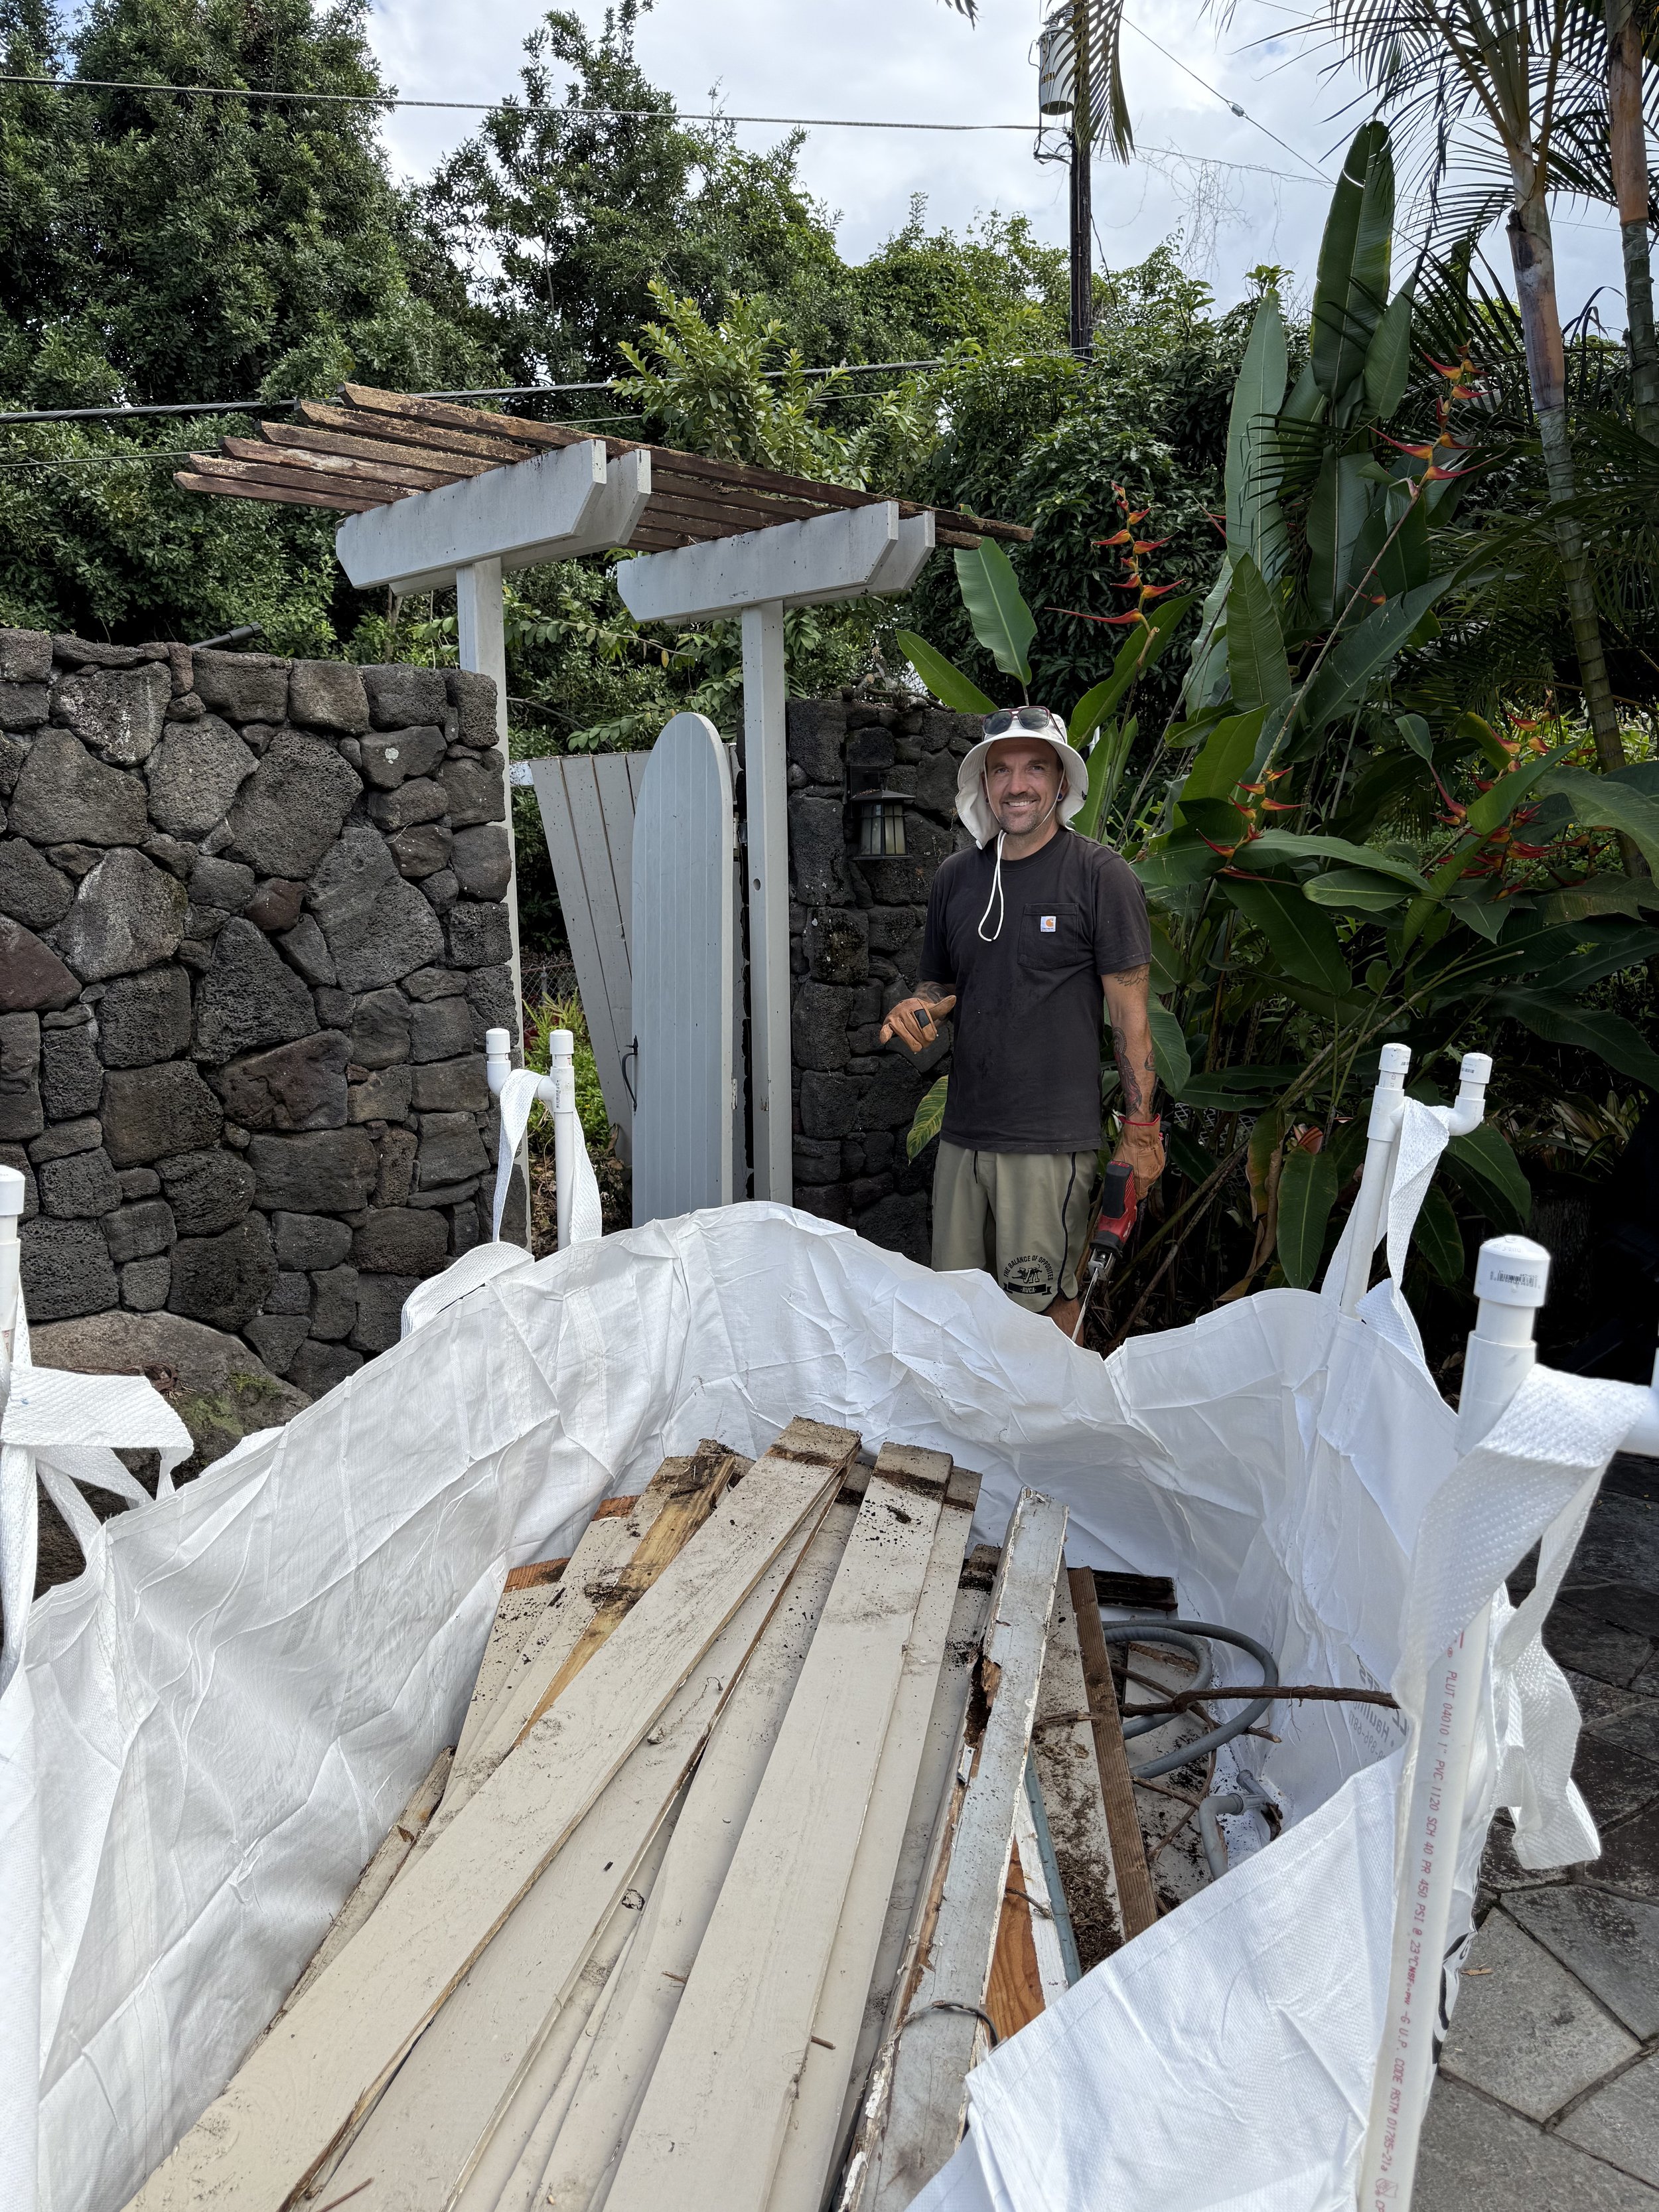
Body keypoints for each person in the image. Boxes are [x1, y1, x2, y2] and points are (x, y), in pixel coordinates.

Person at [879, 704, 1164, 1333]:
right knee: (955, 1314)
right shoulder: (956, 878)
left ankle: (1055, 1405)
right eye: (1001, 769)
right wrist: (917, 1005)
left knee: (1043, 1316)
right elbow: (939, 982)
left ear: (1061, 781)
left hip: (1049, 1146)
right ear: (983, 783)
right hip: (963, 1135)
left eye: (1036, 767)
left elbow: (1130, 1017)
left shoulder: (1100, 876)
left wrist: (1142, 1132)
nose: (1017, 785)